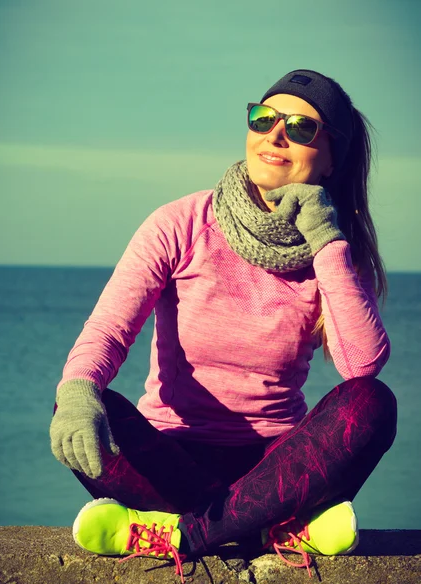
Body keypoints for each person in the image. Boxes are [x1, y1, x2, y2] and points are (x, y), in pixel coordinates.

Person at [50, 69, 397, 581]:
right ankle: (271, 527)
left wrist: (325, 238)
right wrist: (80, 390)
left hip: (279, 465)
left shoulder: (334, 252)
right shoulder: (181, 222)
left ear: (330, 158)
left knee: (374, 403)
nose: (275, 135)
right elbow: (108, 330)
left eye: (301, 128)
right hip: (174, 451)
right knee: (75, 403)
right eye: (263, 118)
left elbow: (361, 365)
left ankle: (182, 535)